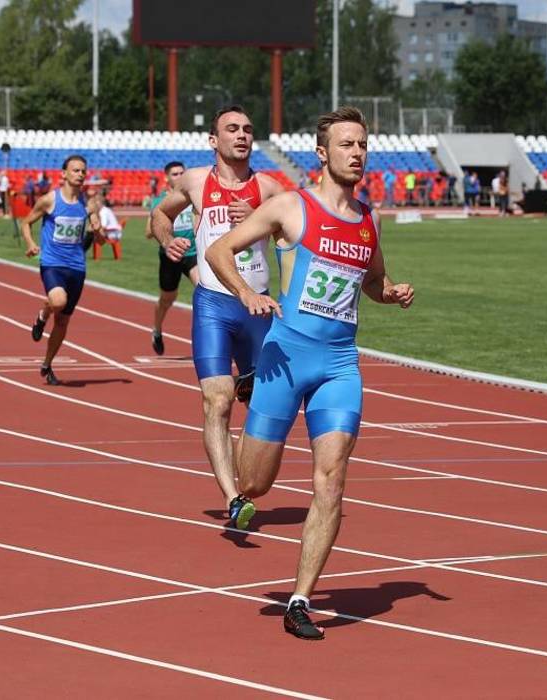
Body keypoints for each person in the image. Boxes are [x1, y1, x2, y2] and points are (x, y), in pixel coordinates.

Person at [203, 106, 415, 640]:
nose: (357, 152)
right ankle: (240, 485)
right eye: (346, 144)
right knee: (255, 483)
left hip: (340, 365)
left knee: (333, 478)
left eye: (362, 144)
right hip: (286, 357)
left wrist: (389, 294)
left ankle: (301, 598)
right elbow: (219, 249)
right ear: (322, 153)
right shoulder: (290, 208)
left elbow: (372, 280)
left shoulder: (369, 219)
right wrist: (249, 292)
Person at [151, 105, 285, 530]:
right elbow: (160, 214)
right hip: (213, 305)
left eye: (248, 128)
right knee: (217, 399)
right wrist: (169, 239)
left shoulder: (267, 187)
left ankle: (246, 477)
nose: (242, 135)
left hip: (258, 308)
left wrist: (263, 224)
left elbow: (297, 233)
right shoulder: (194, 181)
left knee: (257, 403)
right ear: (214, 140)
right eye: (232, 129)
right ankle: (232, 498)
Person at [21, 155, 102, 385]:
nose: (80, 174)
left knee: (63, 322)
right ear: (64, 174)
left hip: (77, 267)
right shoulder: (50, 200)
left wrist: (97, 230)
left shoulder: (88, 203)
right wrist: (30, 244)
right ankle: (42, 314)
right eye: (75, 170)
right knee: (57, 302)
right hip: (52, 263)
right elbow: (26, 222)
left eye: (83, 171)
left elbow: (101, 241)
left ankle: (47, 364)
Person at [145, 160, 199, 354]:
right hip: (170, 256)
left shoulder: (192, 196)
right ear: (166, 178)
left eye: (181, 173)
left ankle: (207, 335)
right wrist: (163, 229)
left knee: (204, 289)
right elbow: (148, 232)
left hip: (192, 254)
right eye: (174, 174)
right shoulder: (160, 202)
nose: (178, 176)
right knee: (168, 298)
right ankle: (157, 329)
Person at [94, 195, 123, 260]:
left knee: (96, 239)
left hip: (112, 233)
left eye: (96, 203)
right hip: (115, 232)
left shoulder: (103, 212)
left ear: (100, 203)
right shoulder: (106, 210)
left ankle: (97, 258)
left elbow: (103, 225)